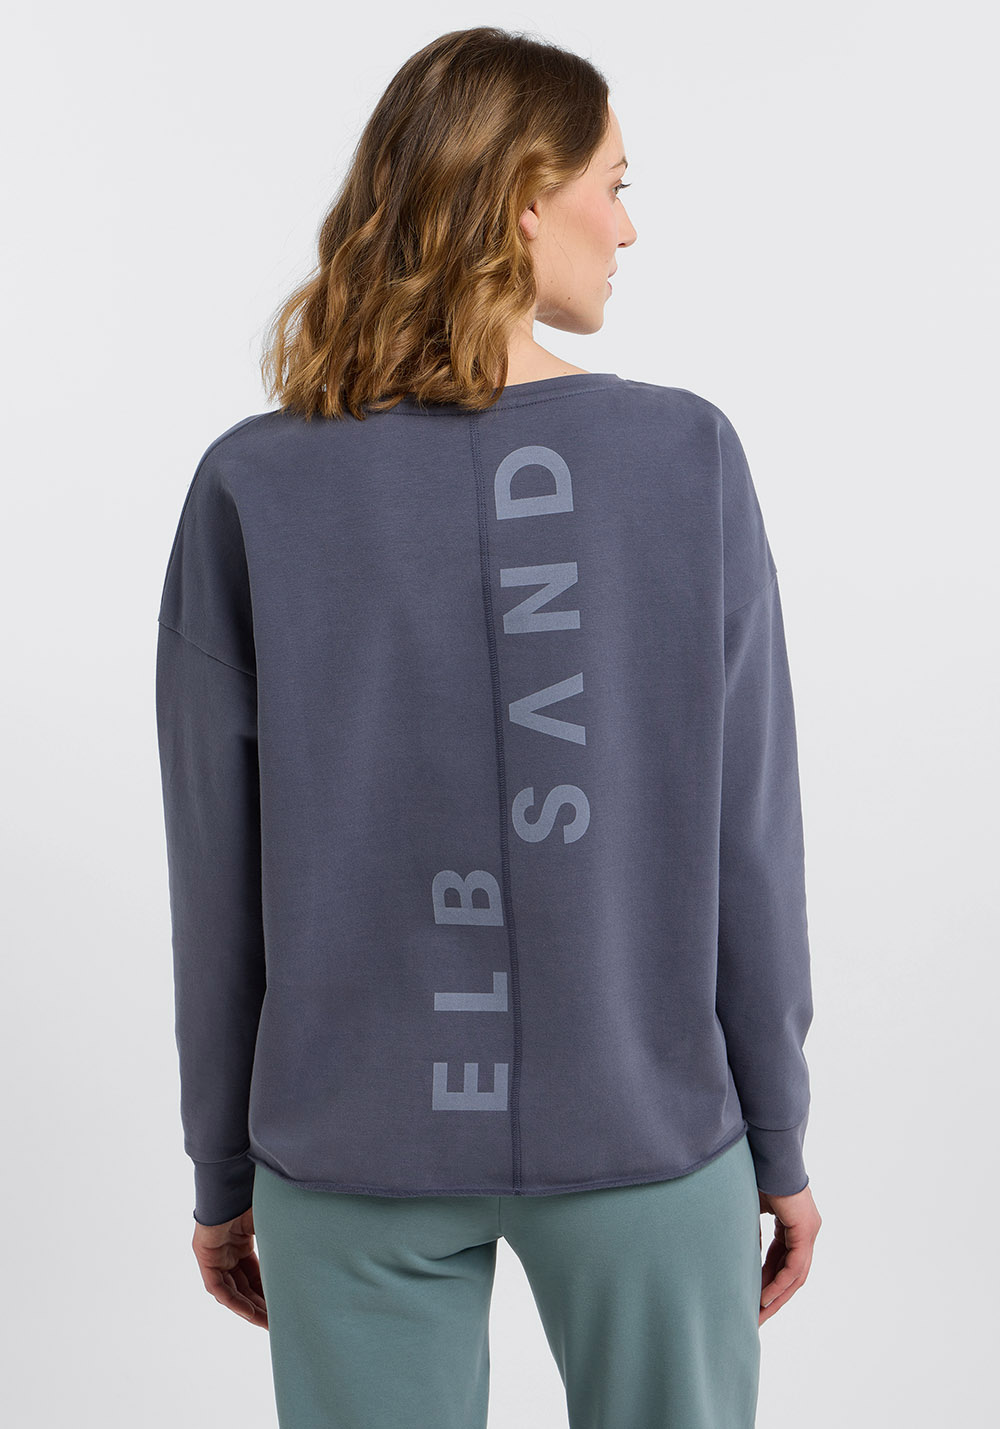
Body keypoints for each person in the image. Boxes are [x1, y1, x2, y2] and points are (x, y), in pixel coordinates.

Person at [154, 24, 821, 1429]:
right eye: (614, 185)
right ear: (526, 196)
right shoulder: (685, 457)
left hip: (352, 1144)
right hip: (646, 1129)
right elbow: (749, 837)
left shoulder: (254, 484)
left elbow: (216, 872)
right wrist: (777, 1135)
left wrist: (223, 1167)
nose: (628, 227)